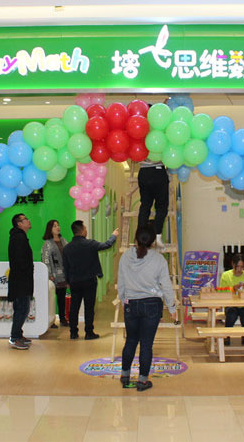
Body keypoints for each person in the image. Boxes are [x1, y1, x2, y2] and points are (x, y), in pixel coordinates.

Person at [117, 226, 177, 391]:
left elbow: (121, 283)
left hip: (131, 303)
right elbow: (166, 286)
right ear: (153, 242)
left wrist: (123, 301)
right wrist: (172, 307)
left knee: (130, 340)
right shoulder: (159, 260)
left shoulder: (125, 256)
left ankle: (125, 375)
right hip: (152, 305)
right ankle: (142, 381)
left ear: (136, 238)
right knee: (146, 344)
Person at [61, 220, 118, 340]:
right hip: (89, 280)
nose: (86, 230)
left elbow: (65, 267)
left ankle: (73, 332)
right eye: (85, 228)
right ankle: (89, 332)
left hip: (74, 281)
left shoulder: (67, 248)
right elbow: (106, 245)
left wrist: (68, 281)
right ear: (82, 231)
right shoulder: (90, 244)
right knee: (89, 307)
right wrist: (114, 236)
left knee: (74, 308)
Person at [8, 213, 34, 350]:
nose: (28, 221)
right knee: (22, 309)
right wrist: (28, 269)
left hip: (21, 279)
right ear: (19, 224)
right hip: (20, 280)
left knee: (22, 308)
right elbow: (20, 260)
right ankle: (15, 337)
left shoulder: (20, 237)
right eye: (25, 219)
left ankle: (18, 334)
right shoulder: (18, 238)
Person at [219, 253, 244, 346]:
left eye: (242, 267)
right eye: (237, 266)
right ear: (233, 264)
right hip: (231, 304)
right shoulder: (226, 275)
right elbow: (220, 291)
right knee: (231, 316)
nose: (239, 269)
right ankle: (227, 335)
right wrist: (233, 289)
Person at [41, 219, 69, 327]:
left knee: (61, 298)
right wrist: (49, 274)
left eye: (58, 225)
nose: (58, 227)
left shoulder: (63, 241)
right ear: (50, 229)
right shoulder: (47, 244)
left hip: (64, 275)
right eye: (54, 226)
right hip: (53, 276)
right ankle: (50, 320)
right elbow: (46, 259)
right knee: (51, 299)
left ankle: (62, 318)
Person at [137, 157, 169, 249]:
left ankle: (140, 238)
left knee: (145, 206)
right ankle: (157, 236)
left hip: (143, 171)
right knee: (161, 206)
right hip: (158, 170)